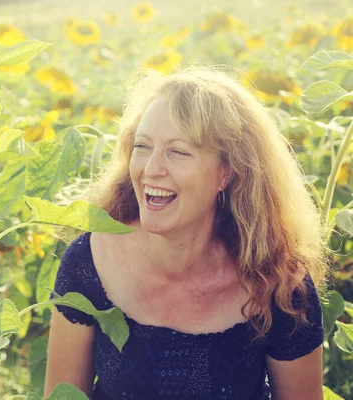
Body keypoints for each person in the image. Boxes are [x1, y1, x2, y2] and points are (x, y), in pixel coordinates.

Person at [44, 68, 328, 400]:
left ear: (226, 173)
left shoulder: (279, 283)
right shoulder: (89, 262)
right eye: (142, 146)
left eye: (178, 151)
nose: (151, 169)